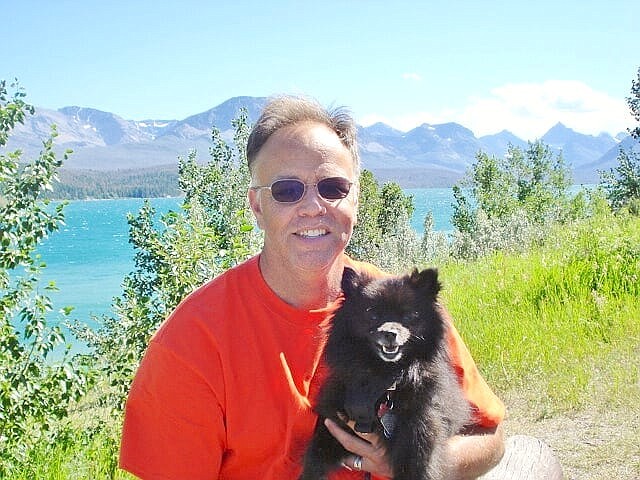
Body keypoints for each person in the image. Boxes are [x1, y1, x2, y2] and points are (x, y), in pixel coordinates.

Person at [119, 95, 508, 479]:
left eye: (333, 187)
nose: (312, 207)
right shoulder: (194, 341)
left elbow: (490, 439)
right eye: (288, 190)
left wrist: (410, 466)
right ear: (257, 206)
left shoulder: (407, 309)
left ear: (355, 198)